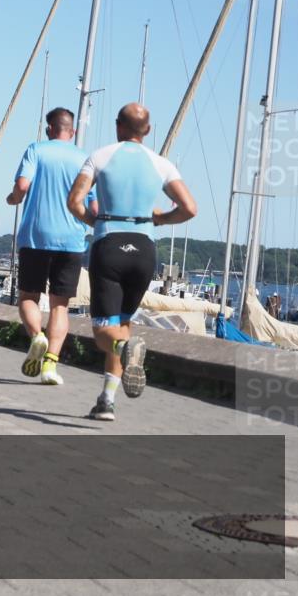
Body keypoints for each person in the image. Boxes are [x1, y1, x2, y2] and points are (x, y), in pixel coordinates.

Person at [68, 103, 196, 422]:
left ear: (118, 126)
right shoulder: (162, 164)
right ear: (148, 130)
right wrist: (162, 220)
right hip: (144, 248)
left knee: (103, 331)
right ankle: (107, 400)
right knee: (123, 326)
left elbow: (74, 200)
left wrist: (91, 221)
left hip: (109, 242)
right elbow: (189, 209)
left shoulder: (99, 156)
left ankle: (125, 351)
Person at [6, 108, 95, 386]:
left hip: (36, 237)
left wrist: (13, 198)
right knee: (60, 307)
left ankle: (37, 337)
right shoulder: (85, 159)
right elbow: (93, 205)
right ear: (73, 131)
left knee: (29, 297)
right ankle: (50, 367)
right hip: (72, 240)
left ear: (49, 129)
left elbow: (22, 185)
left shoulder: (37, 150)